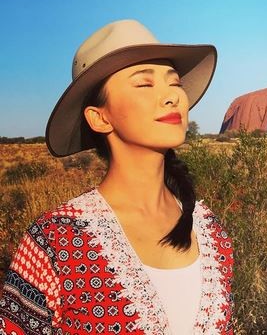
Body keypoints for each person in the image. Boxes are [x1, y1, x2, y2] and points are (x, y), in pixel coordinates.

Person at [0, 19, 234, 334]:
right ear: (99, 118)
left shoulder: (209, 229)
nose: (172, 97)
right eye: (144, 83)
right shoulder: (56, 239)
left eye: (174, 82)